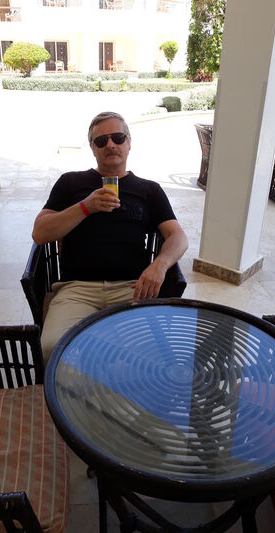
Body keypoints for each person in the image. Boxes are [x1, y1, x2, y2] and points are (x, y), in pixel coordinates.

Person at [32, 111, 188, 360]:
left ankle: (108, 384)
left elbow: (178, 237)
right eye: (101, 140)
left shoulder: (149, 190)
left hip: (131, 288)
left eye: (118, 137)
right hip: (77, 289)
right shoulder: (71, 183)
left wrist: (159, 266)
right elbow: (39, 233)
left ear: (129, 143)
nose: (110, 145)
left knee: (147, 355)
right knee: (52, 347)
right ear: (93, 148)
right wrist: (85, 207)